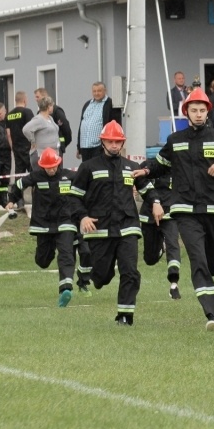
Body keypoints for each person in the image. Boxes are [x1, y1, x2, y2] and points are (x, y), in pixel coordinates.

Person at [139, 89, 214, 331]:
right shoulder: (175, 140)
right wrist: (145, 171)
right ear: (186, 112)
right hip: (184, 209)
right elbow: (161, 165)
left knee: (212, 264)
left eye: (202, 110)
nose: (198, 114)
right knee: (197, 260)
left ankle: (210, 285)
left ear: (208, 112)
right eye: (194, 110)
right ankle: (212, 314)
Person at [69, 121, 158, 326]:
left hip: (128, 227)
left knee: (130, 272)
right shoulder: (88, 167)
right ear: (103, 142)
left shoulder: (132, 167)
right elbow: (73, 198)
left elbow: (147, 189)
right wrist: (82, 217)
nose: (115, 145)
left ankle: (125, 316)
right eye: (110, 141)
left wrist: (156, 203)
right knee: (101, 276)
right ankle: (95, 277)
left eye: (118, 141)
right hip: (100, 231)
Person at [7, 148, 90, 307]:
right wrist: (11, 200)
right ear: (41, 166)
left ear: (58, 164)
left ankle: (65, 289)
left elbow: (87, 185)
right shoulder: (35, 177)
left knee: (66, 254)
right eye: (48, 167)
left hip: (65, 222)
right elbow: (19, 185)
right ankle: (48, 253)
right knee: (42, 261)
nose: (51, 169)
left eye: (54, 166)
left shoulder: (69, 176)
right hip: (43, 225)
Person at [137, 161, 182, 299]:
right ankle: (159, 248)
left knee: (173, 244)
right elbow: (140, 183)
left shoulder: (179, 167)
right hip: (149, 215)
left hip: (170, 214)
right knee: (150, 260)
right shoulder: (147, 166)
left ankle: (174, 283)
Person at [77, 81, 113, 163]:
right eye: (94, 91)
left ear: (105, 91)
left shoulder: (110, 104)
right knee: (86, 172)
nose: (96, 93)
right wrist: (79, 146)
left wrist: (108, 145)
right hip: (85, 147)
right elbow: (81, 125)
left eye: (99, 91)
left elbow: (114, 124)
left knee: (97, 170)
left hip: (99, 147)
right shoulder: (87, 104)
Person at [34, 88, 72, 164]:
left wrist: (62, 145)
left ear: (44, 96)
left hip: (56, 148)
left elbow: (66, 130)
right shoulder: (39, 113)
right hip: (44, 149)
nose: (36, 99)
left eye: (37, 97)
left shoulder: (56, 111)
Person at [23, 95, 59, 170]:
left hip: (52, 156)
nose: (53, 107)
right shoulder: (39, 119)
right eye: (52, 105)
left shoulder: (50, 118)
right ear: (48, 107)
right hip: (41, 155)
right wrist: (33, 141)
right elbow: (26, 129)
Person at [6, 91, 34, 175]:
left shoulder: (9, 115)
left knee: (19, 173)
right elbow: (32, 128)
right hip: (28, 147)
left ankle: (17, 188)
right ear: (25, 100)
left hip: (16, 148)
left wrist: (13, 147)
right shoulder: (27, 112)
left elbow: (8, 134)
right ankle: (35, 188)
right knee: (33, 171)